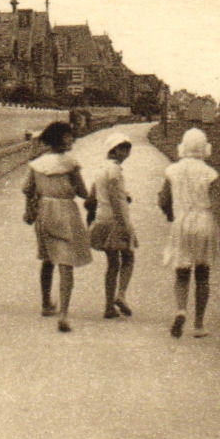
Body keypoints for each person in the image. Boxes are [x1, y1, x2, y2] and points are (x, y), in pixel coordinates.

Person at [158, 127, 220, 338]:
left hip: (182, 222)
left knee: (182, 272)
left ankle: (181, 310)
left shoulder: (172, 171)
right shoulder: (209, 173)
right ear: (205, 149)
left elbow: (163, 200)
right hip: (205, 223)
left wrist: (171, 215)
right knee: (202, 274)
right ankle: (198, 325)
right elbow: (217, 207)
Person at [23, 121, 90, 332]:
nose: (72, 139)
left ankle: (46, 303)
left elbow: (27, 189)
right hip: (65, 212)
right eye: (68, 136)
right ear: (60, 138)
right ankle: (63, 313)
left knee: (47, 258)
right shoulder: (70, 163)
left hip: (44, 211)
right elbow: (82, 191)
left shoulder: (37, 164)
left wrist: (29, 209)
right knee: (66, 262)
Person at [86, 132, 136, 319]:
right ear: (114, 151)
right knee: (129, 257)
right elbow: (115, 197)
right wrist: (123, 224)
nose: (127, 152)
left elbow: (93, 195)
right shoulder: (115, 170)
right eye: (123, 149)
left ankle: (108, 307)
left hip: (102, 218)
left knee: (112, 263)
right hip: (116, 220)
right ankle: (121, 295)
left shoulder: (100, 169)